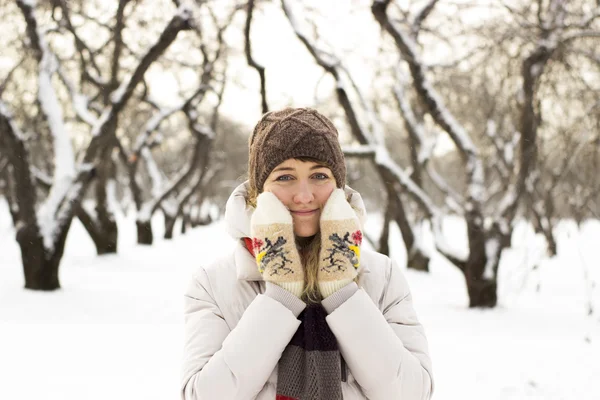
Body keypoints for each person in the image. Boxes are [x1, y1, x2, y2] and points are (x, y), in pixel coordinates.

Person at [181, 107, 433, 400]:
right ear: (258, 191)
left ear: (339, 186)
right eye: (285, 177)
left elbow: (411, 394)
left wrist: (341, 292)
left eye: (319, 175)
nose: (304, 195)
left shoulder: (382, 276)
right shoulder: (212, 284)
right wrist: (281, 297)